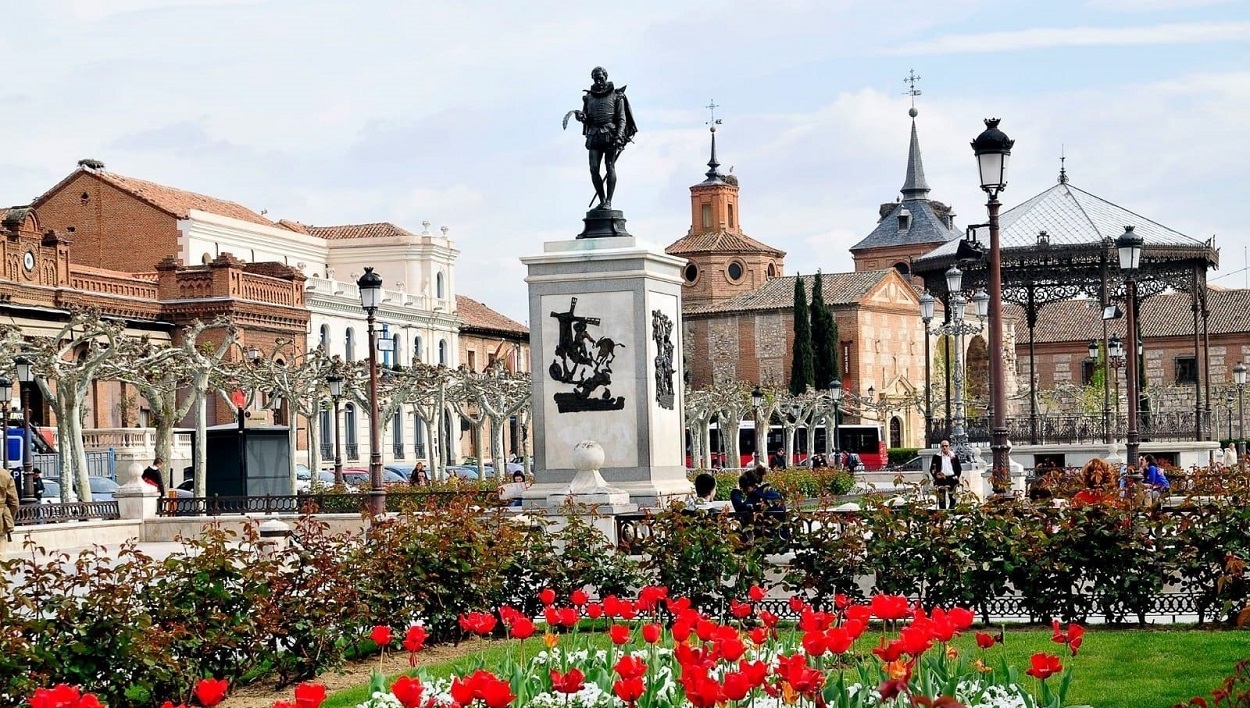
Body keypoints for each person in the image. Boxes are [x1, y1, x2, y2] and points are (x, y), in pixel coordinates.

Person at [570, 66, 637, 210]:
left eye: (601, 78)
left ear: (605, 77)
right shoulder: (588, 98)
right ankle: (602, 199)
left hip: (610, 135)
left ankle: (609, 201)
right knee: (594, 168)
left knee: (609, 166)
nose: (599, 81)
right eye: (596, 78)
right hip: (594, 135)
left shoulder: (616, 95)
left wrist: (619, 135)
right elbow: (587, 119)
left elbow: (621, 118)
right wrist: (581, 117)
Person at [929, 440, 961, 509]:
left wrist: (956, 476)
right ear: (941, 447)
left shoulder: (954, 456)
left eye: (946, 446)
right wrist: (936, 476)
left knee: (952, 498)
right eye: (943, 446)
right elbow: (932, 469)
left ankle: (951, 511)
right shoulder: (936, 457)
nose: (944, 447)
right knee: (941, 498)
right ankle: (942, 513)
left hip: (952, 479)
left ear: (949, 447)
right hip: (941, 479)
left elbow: (959, 468)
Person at [0, 460, 17, 558]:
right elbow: (14, 502)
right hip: (1, 517)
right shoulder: (5, 475)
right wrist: (9, 516)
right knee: (1, 554)